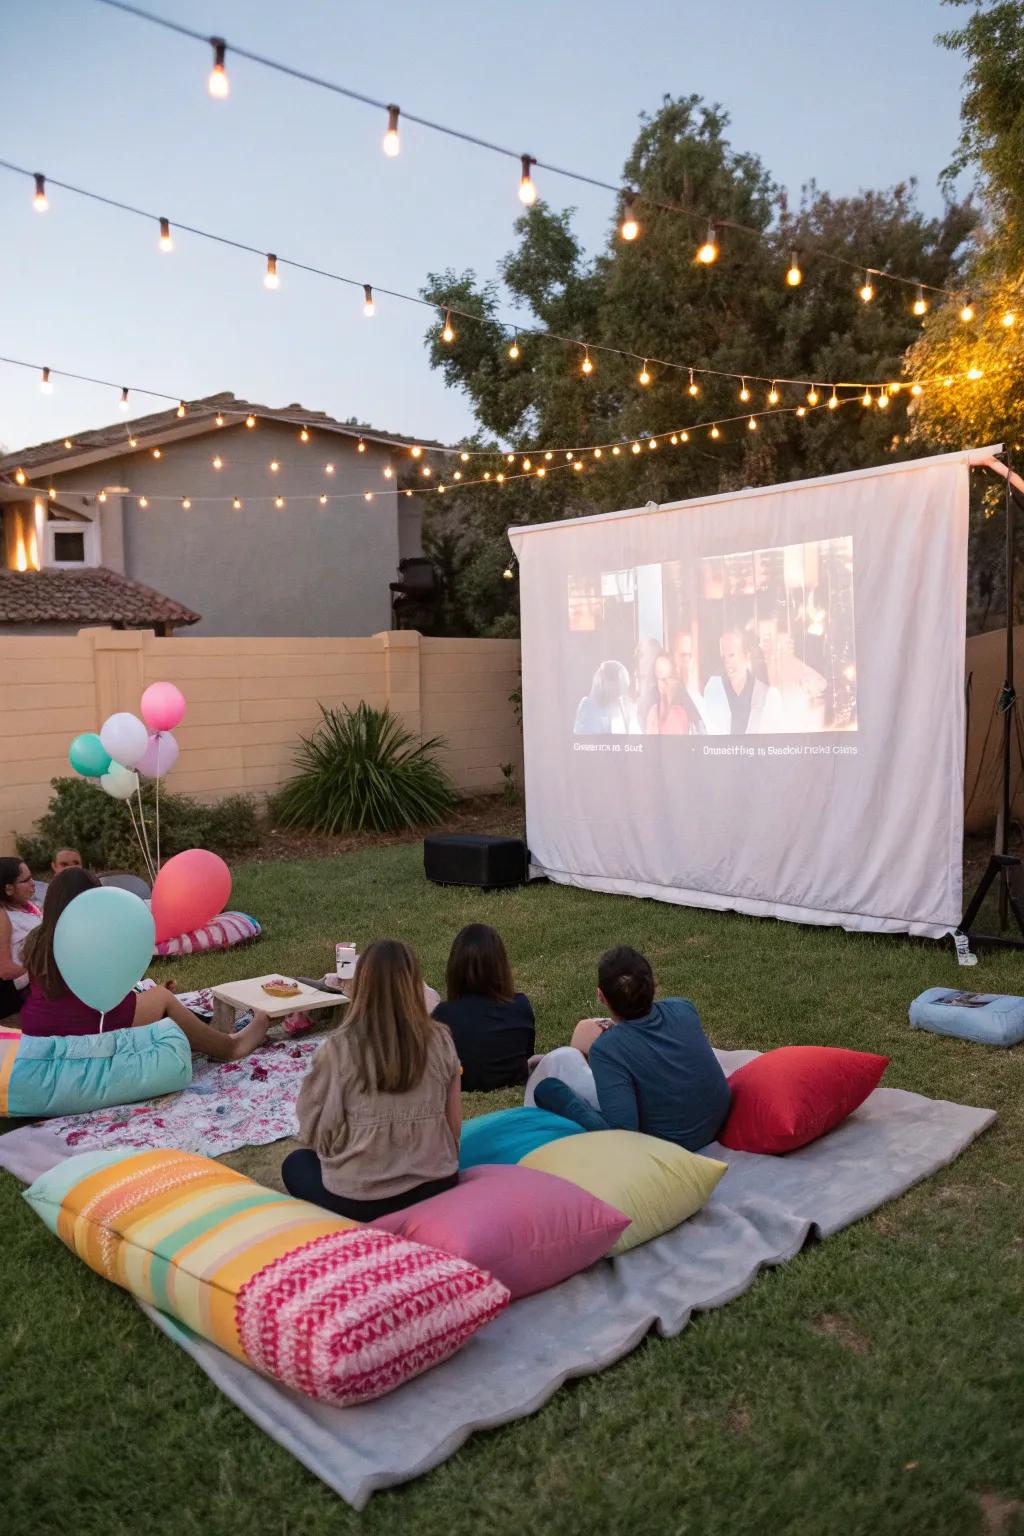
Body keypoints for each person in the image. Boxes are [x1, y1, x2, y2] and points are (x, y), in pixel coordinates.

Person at [282, 939, 461, 1219]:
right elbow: (454, 1129)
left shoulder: (339, 1048)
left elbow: (316, 1131)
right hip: (436, 1184)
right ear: (414, 983)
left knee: (296, 1164)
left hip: (363, 1201)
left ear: (361, 985)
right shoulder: (441, 1039)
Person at [19, 868, 270, 1059]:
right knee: (162, 998)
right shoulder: (94, 935)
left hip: (40, 1024)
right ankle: (228, 1047)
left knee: (151, 994)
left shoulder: (37, 938)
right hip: (89, 1021)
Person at [528, 946, 731, 1152]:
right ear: (654, 982)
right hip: (716, 1120)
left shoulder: (607, 1050)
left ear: (601, 996)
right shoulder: (683, 1008)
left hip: (674, 1144)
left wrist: (562, 1099)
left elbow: (623, 1130)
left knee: (548, 1089)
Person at [432, 924, 535, 1090]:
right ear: (500, 966)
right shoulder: (520, 1006)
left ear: (455, 967)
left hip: (461, 1082)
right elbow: (526, 1054)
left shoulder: (443, 1016)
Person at [702, 627, 785, 735]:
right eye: (724, 657)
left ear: (747, 655)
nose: (727, 662)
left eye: (731, 655)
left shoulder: (767, 696)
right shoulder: (714, 690)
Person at [0, 857, 42, 1018]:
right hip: (19, 995)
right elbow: (5, 971)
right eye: (25, 880)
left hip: (34, 984)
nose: (33, 883)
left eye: (32, 877)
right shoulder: (4, 916)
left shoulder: (28, 907)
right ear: (9, 888)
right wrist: (43, 966)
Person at [573, 660, 638, 735]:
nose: (619, 697)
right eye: (617, 690)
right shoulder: (588, 707)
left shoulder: (623, 707)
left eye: (622, 691)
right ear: (604, 681)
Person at [645, 652, 692, 735]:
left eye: (666, 678)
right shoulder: (653, 712)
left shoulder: (679, 713)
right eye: (658, 678)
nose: (661, 684)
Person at [670, 629, 708, 732]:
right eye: (683, 656)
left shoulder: (704, 691)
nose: (686, 661)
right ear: (673, 657)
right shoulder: (666, 691)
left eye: (689, 656)